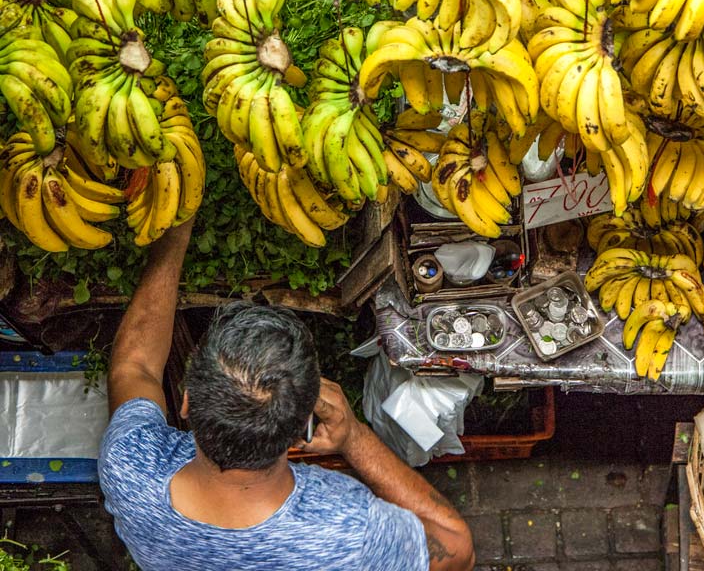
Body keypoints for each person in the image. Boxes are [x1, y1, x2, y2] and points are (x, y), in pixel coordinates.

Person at [98, 219, 474, 570]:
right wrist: (353, 436)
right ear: (303, 430)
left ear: (185, 402)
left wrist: (175, 232)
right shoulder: (350, 532)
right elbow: (457, 548)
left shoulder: (130, 468)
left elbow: (135, 366)